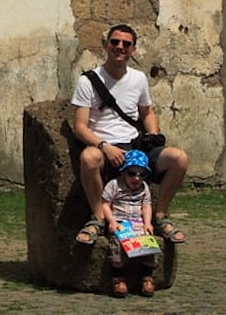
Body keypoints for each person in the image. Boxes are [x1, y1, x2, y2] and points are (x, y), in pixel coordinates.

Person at [71, 24, 190, 246]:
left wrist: (153, 133)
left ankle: (161, 216)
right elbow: (80, 126)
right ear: (106, 45)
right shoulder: (88, 81)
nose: (120, 47)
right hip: (105, 146)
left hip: (135, 146)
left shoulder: (138, 78)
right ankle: (98, 218)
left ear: (133, 49)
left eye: (126, 44)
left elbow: (147, 111)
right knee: (89, 158)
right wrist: (104, 145)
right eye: (115, 42)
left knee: (179, 158)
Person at [101, 149, 158, 298]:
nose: (137, 178)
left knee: (149, 244)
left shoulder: (144, 188)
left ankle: (147, 277)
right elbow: (105, 204)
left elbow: (146, 205)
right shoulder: (114, 185)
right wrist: (112, 221)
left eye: (142, 174)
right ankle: (119, 278)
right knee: (116, 245)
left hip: (137, 223)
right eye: (132, 173)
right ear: (124, 172)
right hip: (120, 222)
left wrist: (147, 223)